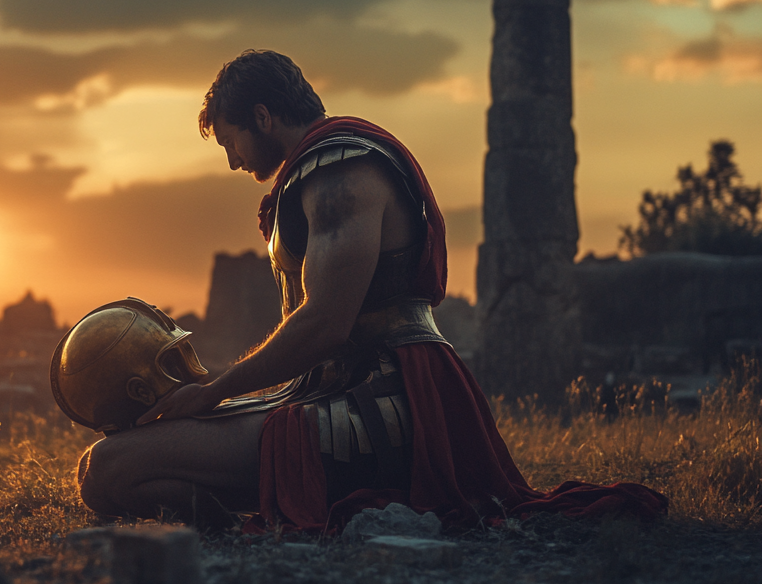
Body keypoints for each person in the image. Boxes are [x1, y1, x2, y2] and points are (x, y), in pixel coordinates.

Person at [77, 50, 666, 532]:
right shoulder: (316, 171)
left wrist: (216, 392)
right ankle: (252, 517)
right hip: (333, 394)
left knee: (108, 470)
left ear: (261, 116)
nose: (232, 162)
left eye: (230, 141)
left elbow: (328, 323)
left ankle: (263, 514)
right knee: (105, 468)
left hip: (384, 403)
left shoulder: (339, 169)